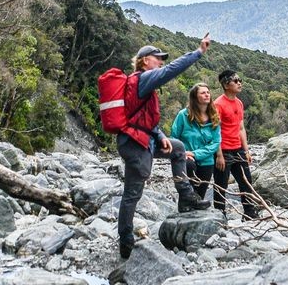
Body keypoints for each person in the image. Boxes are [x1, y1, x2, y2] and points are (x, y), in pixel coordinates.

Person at [114, 38, 208, 260]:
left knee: (177, 148)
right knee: (132, 194)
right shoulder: (143, 78)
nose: (160, 62)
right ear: (145, 61)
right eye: (158, 59)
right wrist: (197, 52)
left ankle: (187, 198)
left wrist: (161, 136)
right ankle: (125, 241)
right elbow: (171, 70)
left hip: (144, 139)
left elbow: (144, 118)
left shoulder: (140, 82)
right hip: (135, 144)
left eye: (161, 59)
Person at [214, 69, 269, 219]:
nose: (239, 83)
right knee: (221, 184)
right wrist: (218, 154)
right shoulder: (218, 104)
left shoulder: (238, 103)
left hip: (238, 149)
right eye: (236, 81)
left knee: (246, 182)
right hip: (223, 151)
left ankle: (249, 213)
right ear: (226, 84)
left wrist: (247, 150)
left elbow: (241, 128)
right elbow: (214, 130)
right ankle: (220, 214)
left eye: (240, 80)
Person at [169, 83, 223, 211]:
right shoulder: (183, 115)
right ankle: (183, 215)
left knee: (200, 196)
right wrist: (184, 153)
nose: (207, 95)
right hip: (187, 159)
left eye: (208, 92)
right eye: (203, 93)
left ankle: (196, 222)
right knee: (188, 194)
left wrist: (195, 153)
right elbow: (174, 137)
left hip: (206, 161)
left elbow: (215, 143)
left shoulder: (213, 116)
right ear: (195, 97)